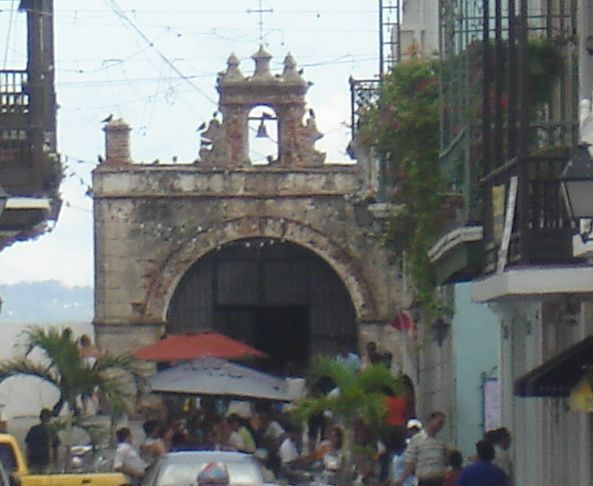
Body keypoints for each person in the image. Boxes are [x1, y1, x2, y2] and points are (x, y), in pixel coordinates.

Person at [394, 411, 448, 486]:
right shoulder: (416, 440)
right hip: (424, 480)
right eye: (439, 422)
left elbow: (445, 460)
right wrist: (401, 480)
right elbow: (410, 462)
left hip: (438, 480)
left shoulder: (441, 442)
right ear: (431, 420)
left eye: (442, 424)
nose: (440, 426)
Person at [25, 408, 59, 473]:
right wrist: (56, 463)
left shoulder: (33, 429)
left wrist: (28, 460)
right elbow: (55, 448)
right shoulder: (51, 430)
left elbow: (28, 447)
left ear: (40, 418)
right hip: (46, 460)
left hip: (33, 460)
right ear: (49, 418)